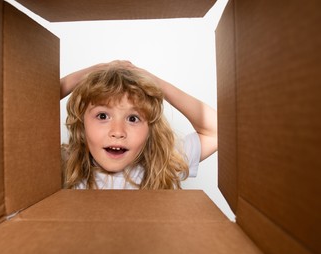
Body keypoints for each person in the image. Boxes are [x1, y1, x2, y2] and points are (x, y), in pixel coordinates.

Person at [59, 60, 217, 189]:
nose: (118, 132)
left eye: (133, 118)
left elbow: (217, 131)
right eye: (102, 116)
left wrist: (155, 83)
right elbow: (35, 105)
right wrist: (92, 72)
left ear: (150, 128)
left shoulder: (162, 163)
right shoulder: (68, 163)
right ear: (81, 122)